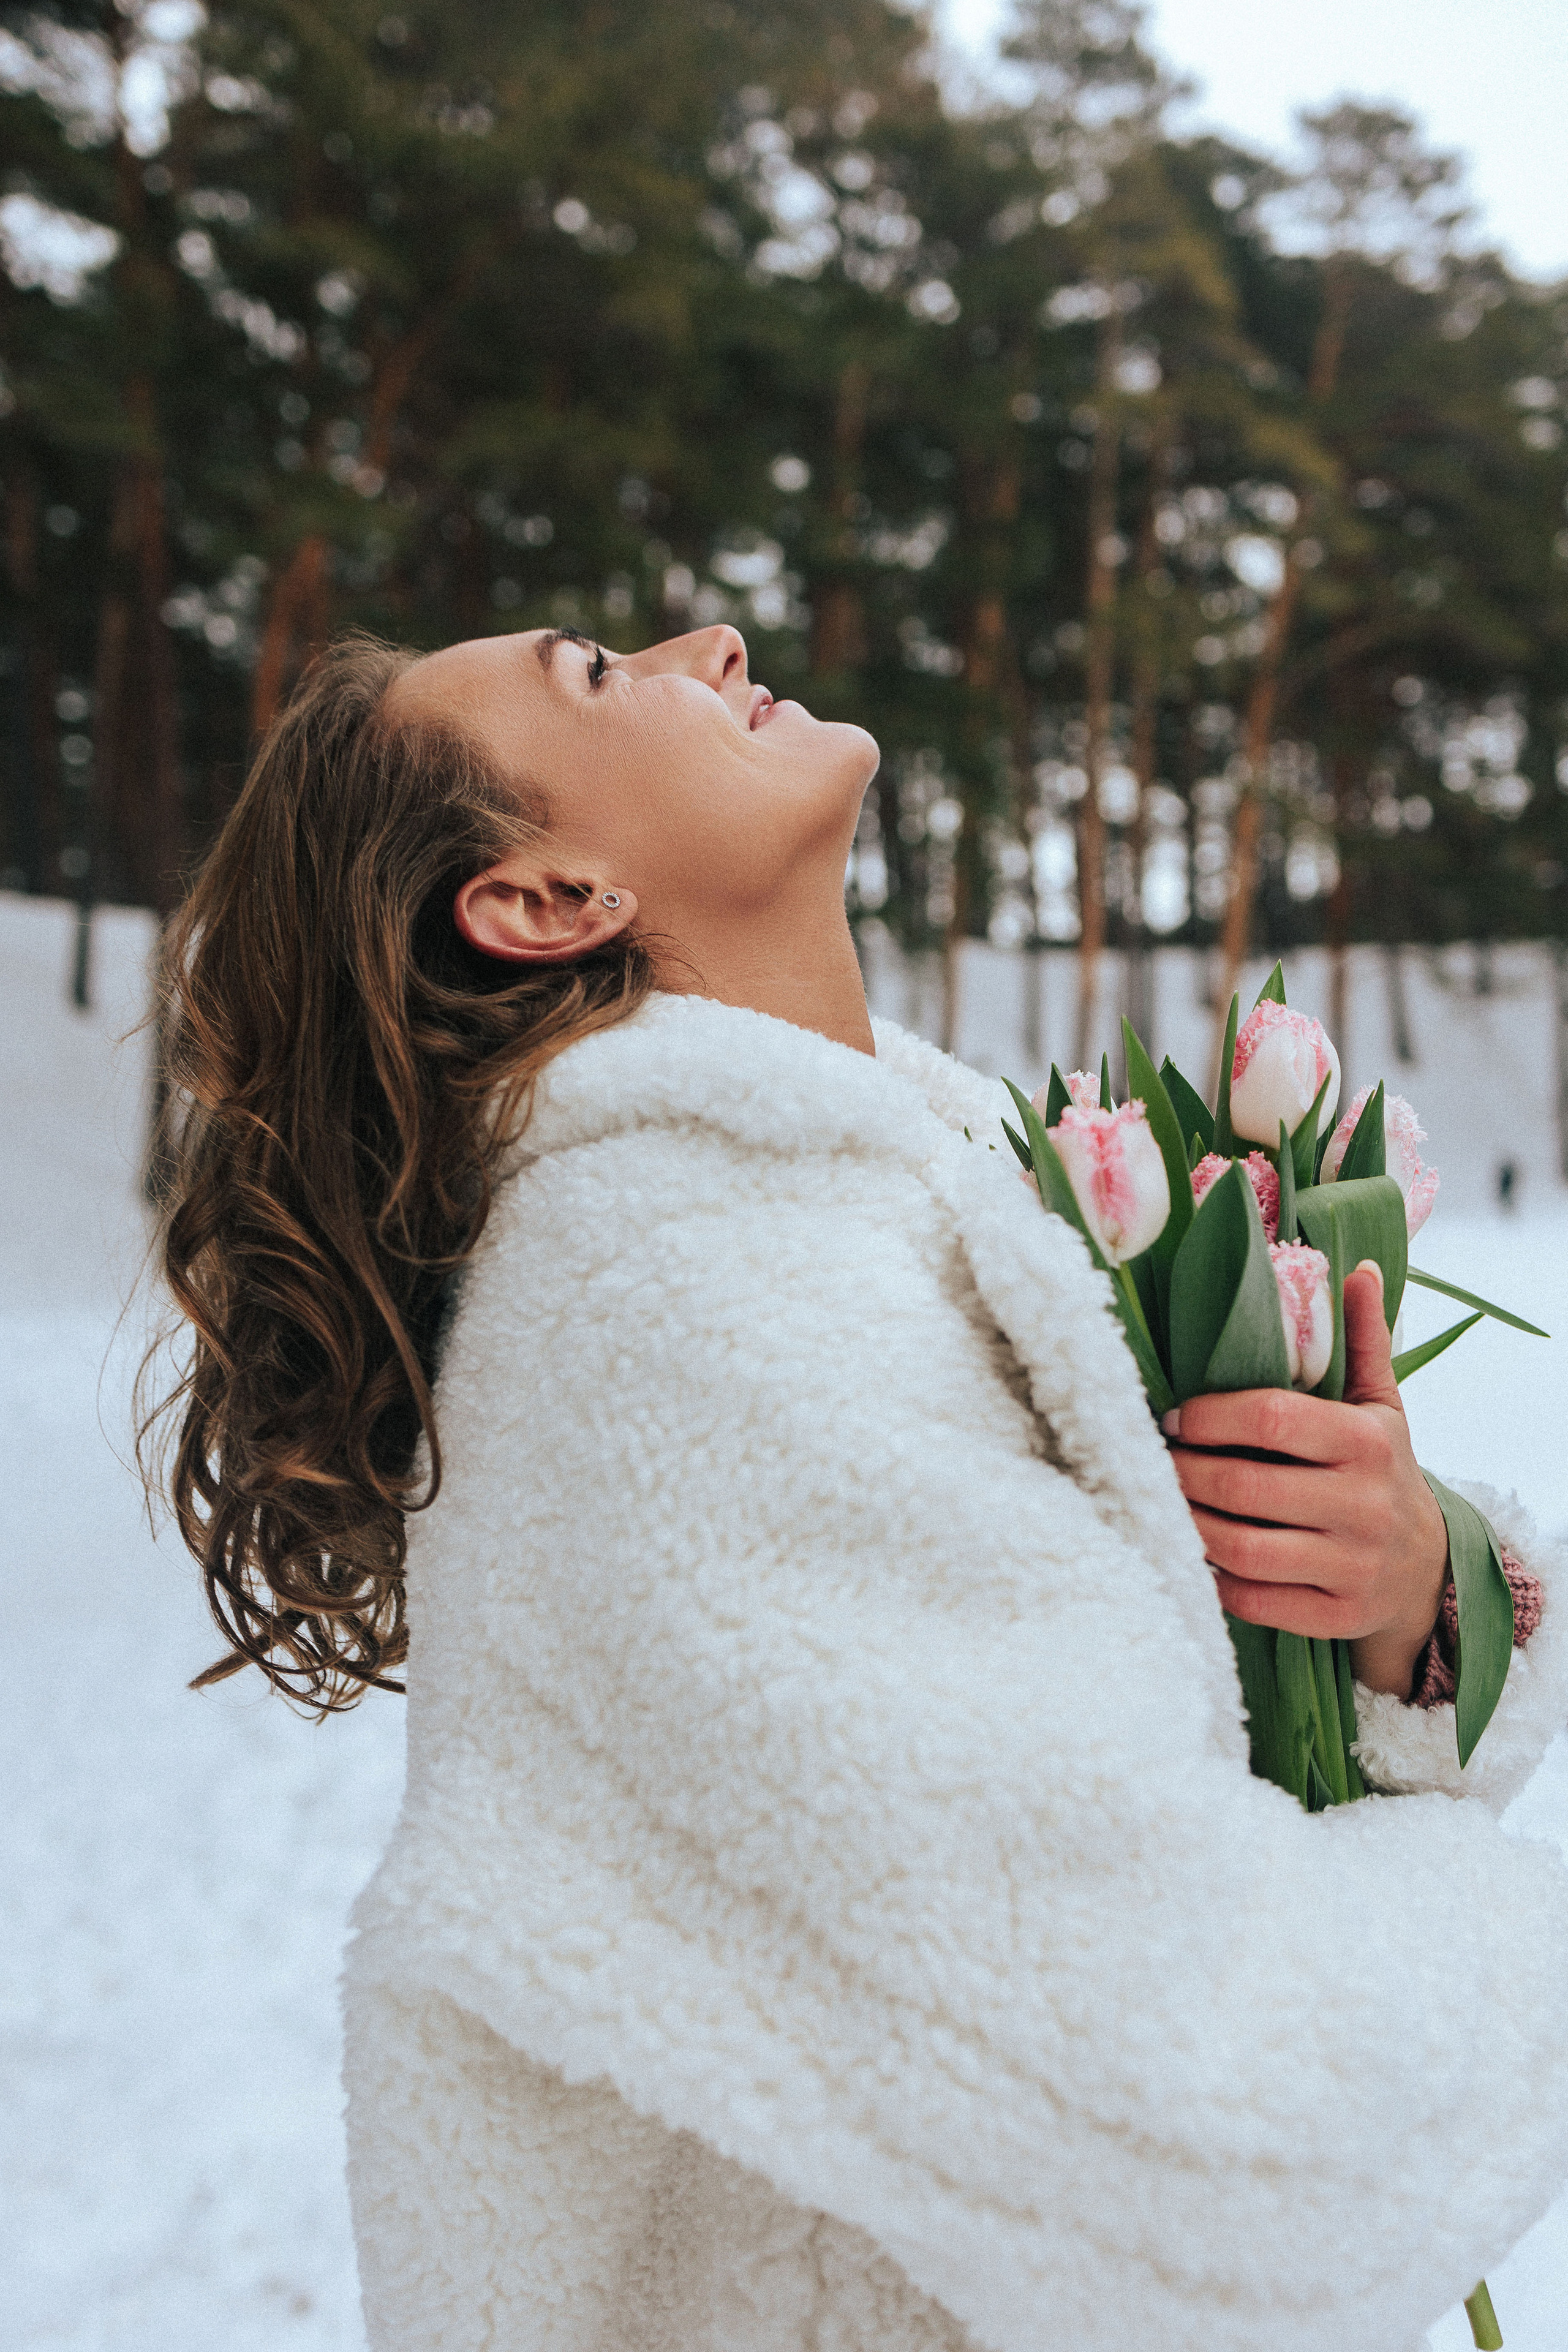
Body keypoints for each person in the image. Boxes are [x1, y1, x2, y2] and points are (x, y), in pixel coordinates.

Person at [150, 624, 1568, 2352]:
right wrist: (1529, 1934)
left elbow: (1140, 1778)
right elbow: (1205, 2118)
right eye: (600, 670)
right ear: (546, 900)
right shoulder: (686, 1307)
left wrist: (1410, 1602)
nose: (713, 639)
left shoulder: (891, 1202)